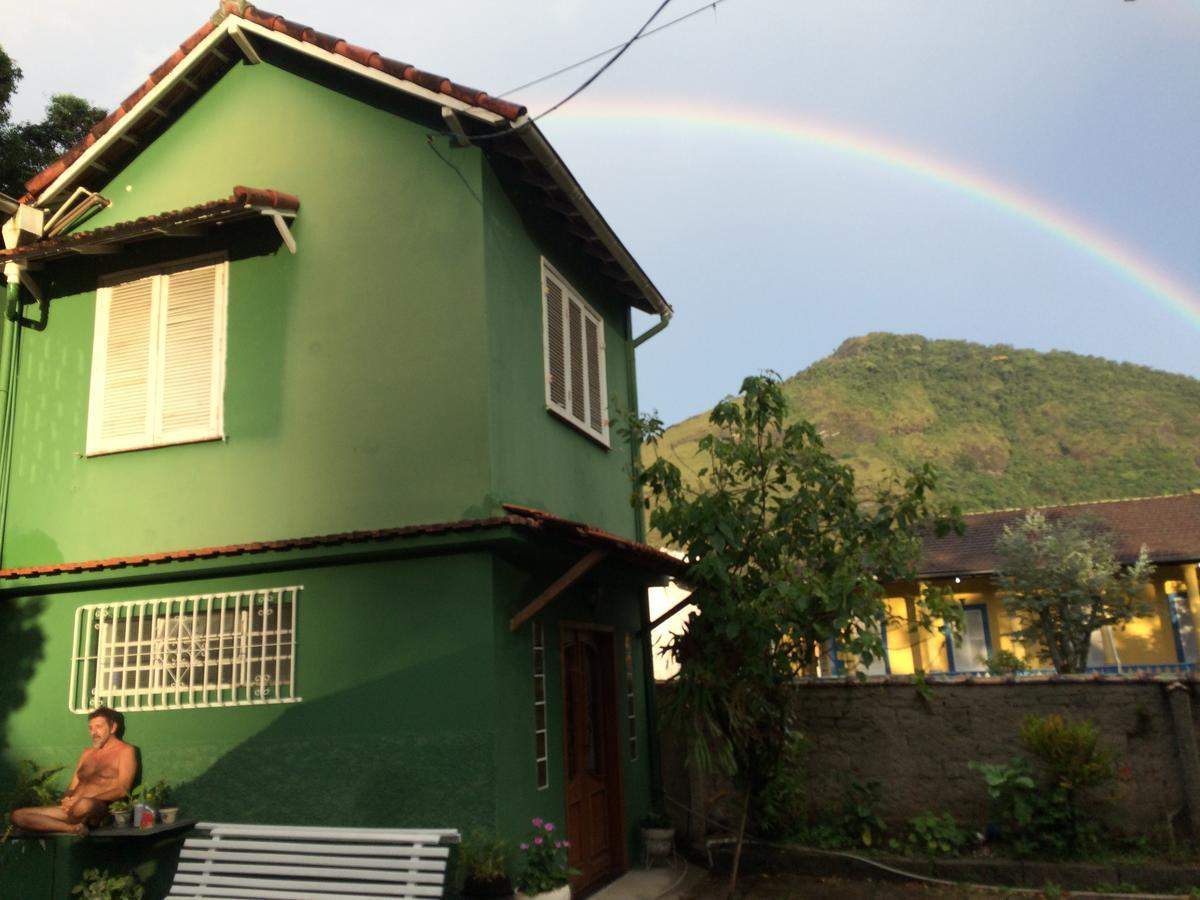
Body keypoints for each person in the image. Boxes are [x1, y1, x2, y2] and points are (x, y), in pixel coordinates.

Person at [9, 707, 136, 835]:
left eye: (98, 727)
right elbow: (72, 787)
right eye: (90, 728)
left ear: (113, 727)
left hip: (96, 808)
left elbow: (122, 789)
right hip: (71, 809)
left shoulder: (125, 751)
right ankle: (73, 828)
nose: (93, 732)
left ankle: (69, 822)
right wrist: (67, 799)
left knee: (85, 805)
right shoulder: (87, 753)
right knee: (17, 815)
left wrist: (83, 799)